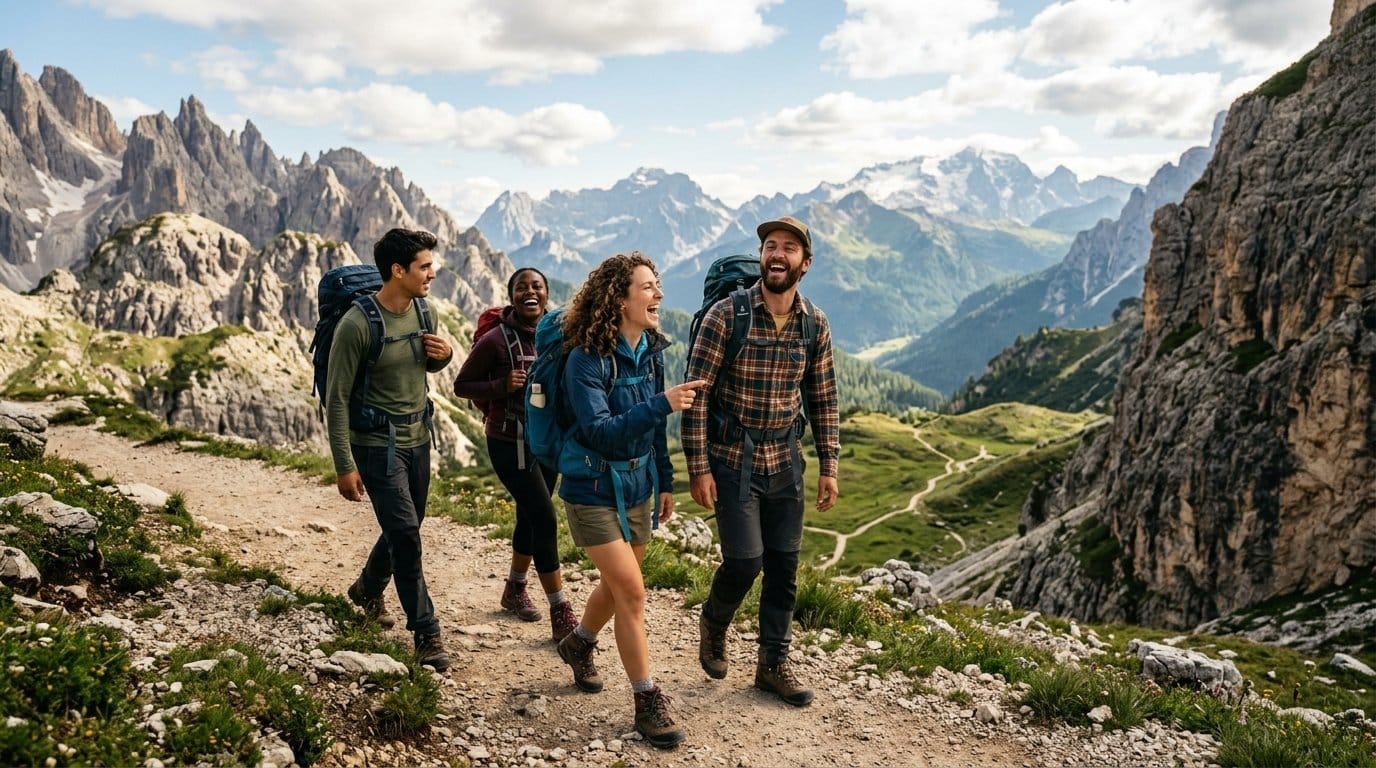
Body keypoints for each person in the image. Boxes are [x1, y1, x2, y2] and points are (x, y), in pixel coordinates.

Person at [682, 215, 840, 707]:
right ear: (761, 257)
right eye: (771, 245)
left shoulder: (814, 323)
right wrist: (698, 466)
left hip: (786, 460)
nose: (777, 254)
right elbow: (696, 395)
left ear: (805, 263)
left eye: (789, 248)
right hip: (732, 459)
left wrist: (829, 465)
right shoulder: (726, 316)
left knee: (784, 566)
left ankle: (772, 664)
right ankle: (714, 619)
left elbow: (824, 397)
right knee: (745, 560)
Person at [553, 252, 706, 749]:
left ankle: (579, 643)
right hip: (592, 487)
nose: (659, 294)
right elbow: (599, 432)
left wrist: (665, 481)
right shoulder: (586, 359)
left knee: (621, 587)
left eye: (658, 285)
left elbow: (652, 431)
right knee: (633, 594)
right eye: (648, 287)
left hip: (640, 487)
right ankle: (647, 701)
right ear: (619, 299)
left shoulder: (651, 351)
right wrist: (661, 402)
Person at [327, 227, 454, 672]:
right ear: (397, 270)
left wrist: (443, 356)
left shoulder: (424, 311)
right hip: (377, 445)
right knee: (406, 534)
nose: (432, 273)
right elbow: (336, 397)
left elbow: (424, 368)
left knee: (408, 524)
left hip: (419, 438)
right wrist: (344, 465)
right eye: (424, 266)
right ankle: (426, 632)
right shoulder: (357, 324)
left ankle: (366, 589)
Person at [452, 267, 578, 641]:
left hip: (546, 445)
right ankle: (559, 607)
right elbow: (462, 385)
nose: (530, 292)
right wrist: (501, 384)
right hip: (509, 442)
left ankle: (514, 588)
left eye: (537, 287)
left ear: (546, 294)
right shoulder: (495, 340)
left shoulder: (558, 335)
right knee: (544, 514)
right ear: (511, 296)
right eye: (521, 287)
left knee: (529, 514)